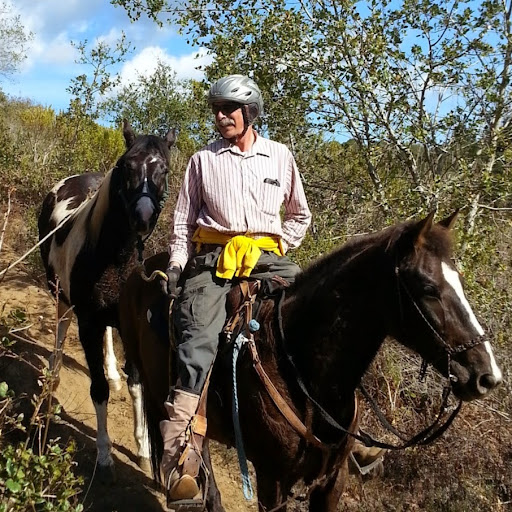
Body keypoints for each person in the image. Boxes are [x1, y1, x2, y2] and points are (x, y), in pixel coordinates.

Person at [159, 74, 312, 506]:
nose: (222, 116)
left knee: (319, 312)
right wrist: (175, 265)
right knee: (196, 338)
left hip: (267, 255)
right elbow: (182, 222)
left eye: (230, 108)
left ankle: (342, 431)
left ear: (251, 113)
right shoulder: (202, 161)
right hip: (213, 260)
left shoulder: (279, 156)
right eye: (217, 109)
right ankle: (183, 456)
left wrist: (279, 242)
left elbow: (300, 214)